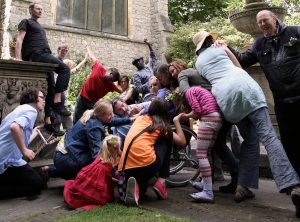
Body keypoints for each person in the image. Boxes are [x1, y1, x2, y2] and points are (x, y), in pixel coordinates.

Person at [193, 30, 300, 207]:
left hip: (227, 98)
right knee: (268, 136)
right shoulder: (221, 49)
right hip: (246, 89)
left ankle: (243, 187)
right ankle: (292, 184)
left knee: (250, 141)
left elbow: (211, 79)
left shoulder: (198, 63)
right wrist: (226, 49)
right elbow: (239, 67)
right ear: (210, 40)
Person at [226, 10, 300, 181]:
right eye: (259, 22)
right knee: (290, 144)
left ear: (274, 19)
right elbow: (243, 60)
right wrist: (226, 47)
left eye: (264, 20)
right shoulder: (259, 44)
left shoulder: (294, 33)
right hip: (282, 103)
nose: (261, 24)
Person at [168, 58, 239, 193]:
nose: (172, 74)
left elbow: (186, 91)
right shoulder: (195, 73)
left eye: (173, 71)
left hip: (215, 112)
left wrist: (185, 110)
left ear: (178, 66)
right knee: (211, 148)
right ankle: (208, 181)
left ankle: (236, 177)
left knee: (216, 147)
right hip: (221, 108)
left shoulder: (184, 73)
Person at [15, 2, 71, 134]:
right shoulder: (26, 22)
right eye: (37, 9)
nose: (40, 11)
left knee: (51, 87)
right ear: (31, 10)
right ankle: (58, 101)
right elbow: (19, 40)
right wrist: (18, 59)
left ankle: (48, 122)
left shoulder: (39, 25)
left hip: (45, 55)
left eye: (41, 9)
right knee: (64, 69)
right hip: (37, 54)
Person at [118, 99, 186, 206]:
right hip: (146, 165)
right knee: (166, 139)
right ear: (165, 112)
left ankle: (135, 188)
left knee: (143, 190)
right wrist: (176, 121)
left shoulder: (139, 119)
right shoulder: (161, 126)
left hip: (125, 168)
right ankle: (161, 181)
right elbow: (182, 142)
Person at [45, 100, 113, 180]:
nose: (112, 116)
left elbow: (112, 121)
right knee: (98, 157)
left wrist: (130, 119)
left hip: (62, 154)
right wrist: (111, 171)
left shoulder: (92, 115)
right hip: (65, 158)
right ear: (101, 115)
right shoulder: (94, 126)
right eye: (110, 114)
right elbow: (96, 155)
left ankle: (48, 171)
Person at [0, 88, 45, 199]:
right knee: (37, 184)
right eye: (42, 97)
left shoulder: (19, 109)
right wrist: (24, 150)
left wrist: (33, 133)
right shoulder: (31, 110)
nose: (44, 101)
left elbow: (17, 135)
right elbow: (15, 127)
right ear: (34, 98)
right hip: (7, 161)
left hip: (7, 158)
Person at [183, 86, 222, 203]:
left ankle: (208, 192)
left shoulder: (189, 92)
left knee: (201, 154)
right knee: (207, 152)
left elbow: (197, 111)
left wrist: (185, 116)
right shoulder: (200, 90)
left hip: (208, 119)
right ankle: (205, 184)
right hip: (217, 119)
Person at [64, 135, 120, 210]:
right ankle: (79, 201)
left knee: (73, 185)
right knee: (105, 198)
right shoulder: (107, 165)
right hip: (92, 186)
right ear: (116, 150)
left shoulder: (100, 157)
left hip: (83, 179)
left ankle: (76, 198)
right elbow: (108, 182)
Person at [73, 43, 122, 124]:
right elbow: (91, 55)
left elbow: (121, 91)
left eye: (111, 80)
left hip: (92, 103)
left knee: (91, 122)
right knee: (77, 118)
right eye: (110, 77)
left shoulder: (111, 85)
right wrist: (87, 46)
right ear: (109, 72)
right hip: (82, 97)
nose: (109, 80)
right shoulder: (98, 67)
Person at [52, 45, 88, 133]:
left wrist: (85, 59)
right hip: (56, 101)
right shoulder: (55, 67)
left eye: (66, 51)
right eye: (63, 51)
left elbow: (76, 69)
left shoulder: (66, 72)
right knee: (57, 121)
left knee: (68, 123)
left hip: (63, 103)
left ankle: (69, 137)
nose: (64, 52)